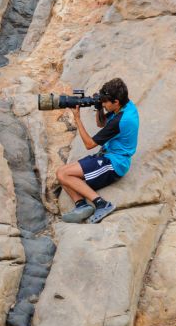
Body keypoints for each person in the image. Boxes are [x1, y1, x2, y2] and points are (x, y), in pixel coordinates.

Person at [55, 77, 139, 223]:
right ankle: (81, 206)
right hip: (106, 156)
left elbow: (89, 144)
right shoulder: (126, 105)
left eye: (106, 102)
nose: (104, 104)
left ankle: (102, 204)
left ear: (116, 102)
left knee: (63, 175)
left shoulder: (121, 120)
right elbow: (101, 123)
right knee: (62, 174)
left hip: (113, 164)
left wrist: (78, 119)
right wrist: (99, 106)